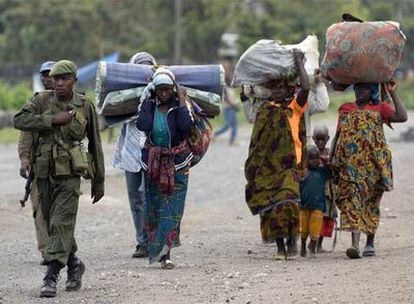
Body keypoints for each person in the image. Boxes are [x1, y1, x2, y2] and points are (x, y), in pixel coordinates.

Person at [13, 60, 105, 297]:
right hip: (43, 173)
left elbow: (95, 144)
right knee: (54, 224)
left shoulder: (85, 106)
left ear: (74, 79)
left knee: (60, 222)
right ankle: (74, 264)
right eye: (56, 79)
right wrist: (52, 120)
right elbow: (19, 120)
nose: (59, 83)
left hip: (70, 174)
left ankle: (51, 276)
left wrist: (99, 181)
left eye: (64, 79)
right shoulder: (41, 100)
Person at [244, 49, 309, 260]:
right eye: (276, 88)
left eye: (284, 87)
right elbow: (256, 143)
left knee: (289, 203)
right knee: (272, 208)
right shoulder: (264, 111)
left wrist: (299, 61)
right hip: (267, 169)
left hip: (290, 166)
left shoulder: (295, 107)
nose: (280, 91)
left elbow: (306, 87)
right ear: (270, 91)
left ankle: (292, 240)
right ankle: (280, 247)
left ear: (289, 90)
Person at [331, 80, 407, 259]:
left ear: (372, 91)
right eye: (358, 88)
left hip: (374, 165)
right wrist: (332, 156)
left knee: (371, 203)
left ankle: (370, 242)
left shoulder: (381, 108)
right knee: (352, 202)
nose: (360, 92)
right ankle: (355, 245)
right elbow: (338, 134)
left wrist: (393, 92)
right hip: (349, 165)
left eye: (365, 88)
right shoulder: (345, 108)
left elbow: (402, 117)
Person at [136, 67, 194, 269]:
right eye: (160, 89)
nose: (163, 93)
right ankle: (162, 253)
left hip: (178, 162)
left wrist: (181, 100)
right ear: (154, 90)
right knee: (156, 207)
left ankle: (166, 251)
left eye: (167, 89)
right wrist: (146, 101)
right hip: (153, 164)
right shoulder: (150, 107)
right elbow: (142, 125)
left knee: (173, 208)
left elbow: (186, 127)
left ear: (173, 89)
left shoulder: (179, 107)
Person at [112, 52, 156, 258]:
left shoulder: (161, 91)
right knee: (134, 198)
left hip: (152, 151)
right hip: (130, 152)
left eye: (148, 68)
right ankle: (141, 242)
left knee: (148, 196)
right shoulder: (125, 92)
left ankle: (152, 239)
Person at [18, 61, 55, 265]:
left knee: (59, 208)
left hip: (63, 165)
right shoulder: (35, 103)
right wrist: (24, 158)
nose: (47, 78)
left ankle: (60, 247)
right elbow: (25, 132)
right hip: (38, 164)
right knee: (39, 208)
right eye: (44, 75)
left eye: (51, 74)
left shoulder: (72, 102)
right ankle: (45, 249)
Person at [299, 146, 331, 257]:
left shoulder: (322, 172)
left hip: (318, 206)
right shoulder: (303, 172)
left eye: (317, 158)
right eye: (311, 159)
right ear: (306, 160)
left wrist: (325, 161)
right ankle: (303, 244)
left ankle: (312, 247)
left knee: (315, 228)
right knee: (303, 229)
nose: (315, 161)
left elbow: (332, 170)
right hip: (304, 205)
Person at [311, 125, 337, 253]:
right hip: (314, 190)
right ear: (313, 139)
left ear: (328, 139)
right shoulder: (310, 153)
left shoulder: (330, 153)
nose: (320, 142)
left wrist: (330, 165)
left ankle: (319, 245)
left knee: (326, 217)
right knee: (315, 217)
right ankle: (313, 243)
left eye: (323, 140)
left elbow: (336, 169)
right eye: (318, 139)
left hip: (328, 191)